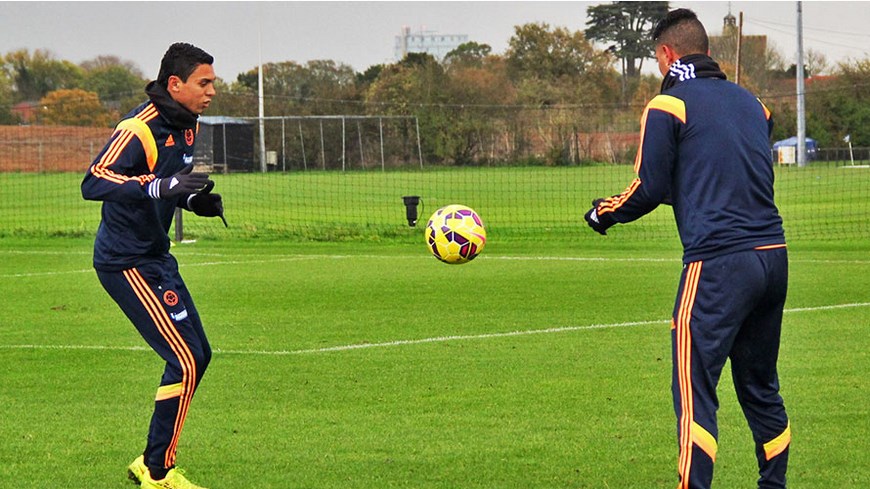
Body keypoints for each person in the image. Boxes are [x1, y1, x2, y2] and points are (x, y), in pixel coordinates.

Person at [583, 9, 790, 489]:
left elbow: (648, 187)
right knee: (760, 387)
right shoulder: (755, 105)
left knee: (695, 392)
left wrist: (604, 212)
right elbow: (735, 174)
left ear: (665, 54)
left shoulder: (667, 106)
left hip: (717, 263)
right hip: (773, 256)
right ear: (709, 53)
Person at [81, 42, 224, 489]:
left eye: (213, 83)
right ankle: (157, 471)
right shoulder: (137, 127)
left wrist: (193, 199)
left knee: (198, 355)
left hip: (155, 256)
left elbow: (170, 184)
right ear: (175, 84)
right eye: (205, 83)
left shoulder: (186, 125)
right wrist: (163, 187)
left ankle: (151, 461)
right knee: (185, 360)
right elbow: (94, 180)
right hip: (125, 261)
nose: (212, 91)